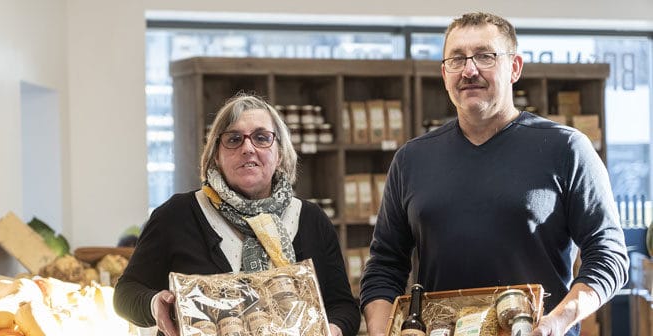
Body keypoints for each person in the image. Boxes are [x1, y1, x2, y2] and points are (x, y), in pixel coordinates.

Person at [360, 12, 629, 336]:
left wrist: (555, 323)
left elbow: (609, 255)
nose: (469, 70)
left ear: (514, 67)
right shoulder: (411, 159)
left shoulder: (567, 148)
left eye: (485, 56)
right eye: (457, 59)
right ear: (444, 73)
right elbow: (384, 267)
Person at [114, 93, 360, 336]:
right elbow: (126, 293)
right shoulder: (176, 216)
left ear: (281, 153)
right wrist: (154, 304)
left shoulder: (311, 220)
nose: (248, 148)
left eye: (262, 138)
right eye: (233, 140)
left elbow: (343, 306)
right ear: (216, 156)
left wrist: (332, 329)